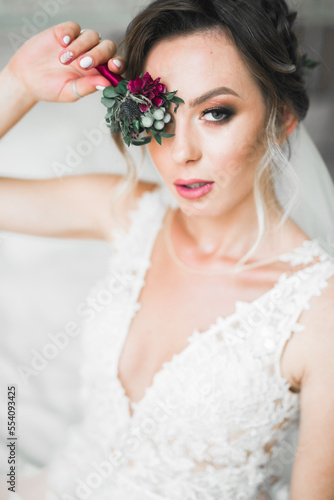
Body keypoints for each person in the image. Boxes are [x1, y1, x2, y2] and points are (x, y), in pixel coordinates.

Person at [1, 0, 334, 499]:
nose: (182, 152)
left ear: (282, 117)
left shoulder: (320, 316)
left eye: (216, 113)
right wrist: (17, 84)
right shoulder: (128, 212)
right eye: (160, 114)